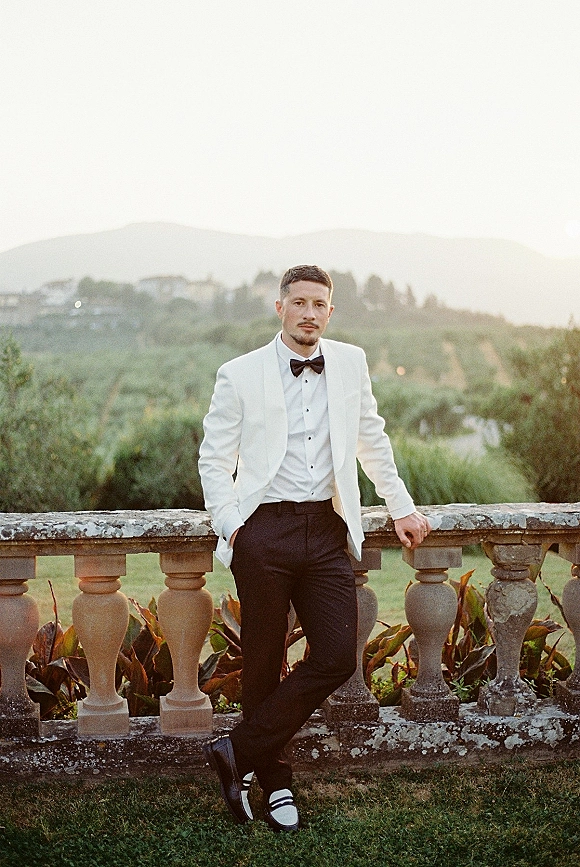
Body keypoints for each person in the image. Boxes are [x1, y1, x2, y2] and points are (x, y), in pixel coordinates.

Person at [199, 264, 431, 831]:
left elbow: (370, 437)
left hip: (327, 529)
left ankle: (238, 752)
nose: (308, 311)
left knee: (332, 655)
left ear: (330, 312)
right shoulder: (239, 373)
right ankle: (275, 783)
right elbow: (214, 457)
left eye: (319, 303)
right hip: (264, 531)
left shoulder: (350, 362)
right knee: (262, 663)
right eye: (298, 301)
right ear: (280, 307)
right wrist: (232, 526)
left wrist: (399, 503)